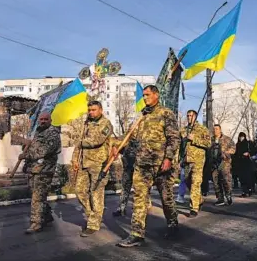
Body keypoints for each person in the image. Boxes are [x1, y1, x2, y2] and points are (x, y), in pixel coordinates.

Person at [117, 85, 180, 248]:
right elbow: (134, 140)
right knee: (139, 198)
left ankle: (173, 224)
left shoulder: (166, 113)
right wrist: (121, 147)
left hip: (161, 165)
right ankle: (137, 233)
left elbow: (174, 138)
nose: (144, 98)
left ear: (156, 95)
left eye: (147, 95)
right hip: (142, 165)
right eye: (143, 95)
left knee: (166, 199)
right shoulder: (142, 116)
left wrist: (168, 158)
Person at [72, 101, 118, 237]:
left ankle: (93, 223)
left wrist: (80, 143)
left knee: (96, 193)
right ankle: (92, 214)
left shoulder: (106, 124)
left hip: (99, 164)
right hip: (83, 163)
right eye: (89, 110)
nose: (91, 112)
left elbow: (96, 141)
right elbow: (78, 144)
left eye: (94, 110)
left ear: (101, 110)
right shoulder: (86, 123)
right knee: (79, 190)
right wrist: (75, 159)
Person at [21, 112, 61, 234]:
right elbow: (32, 148)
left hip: (44, 170)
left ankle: (36, 223)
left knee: (37, 197)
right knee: (37, 195)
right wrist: (25, 145)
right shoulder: (37, 132)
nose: (43, 121)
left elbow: (44, 151)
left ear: (50, 120)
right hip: (33, 169)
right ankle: (46, 215)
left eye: (45, 119)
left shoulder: (53, 133)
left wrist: (26, 155)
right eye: (41, 119)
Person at [178, 109, 211, 217]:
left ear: (195, 117)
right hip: (186, 160)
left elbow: (208, 143)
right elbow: (179, 145)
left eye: (191, 116)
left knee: (195, 183)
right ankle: (199, 199)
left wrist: (194, 138)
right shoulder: (183, 130)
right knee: (187, 181)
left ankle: (194, 208)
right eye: (187, 116)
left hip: (198, 160)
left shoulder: (202, 129)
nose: (189, 117)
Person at [210, 124, 236, 206]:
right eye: (214, 129)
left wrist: (226, 152)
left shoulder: (227, 139)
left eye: (217, 129)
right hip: (214, 163)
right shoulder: (211, 140)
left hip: (224, 162)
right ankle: (220, 198)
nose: (215, 131)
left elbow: (233, 148)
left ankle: (228, 194)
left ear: (220, 130)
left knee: (225, 179)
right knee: (216, 181)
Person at [233, 132, 254, 197]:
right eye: (240, 137)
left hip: (247, 163)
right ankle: (244, 191)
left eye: (242, 137)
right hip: (239, 163)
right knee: (241, 178)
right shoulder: (237, 144)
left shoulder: (248, 143)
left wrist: (248, 153)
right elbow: (235, 154)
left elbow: (254, 150)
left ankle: (250, 189)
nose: (241, 138)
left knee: (247, 177)